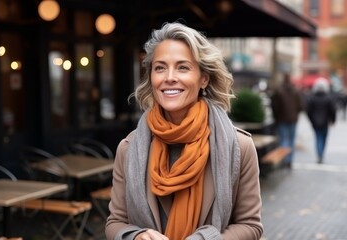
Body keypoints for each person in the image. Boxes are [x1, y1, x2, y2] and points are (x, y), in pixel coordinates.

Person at [105, 22, 263, 240]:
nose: (169, 77)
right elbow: (115, 223)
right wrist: (136, 236)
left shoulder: (239, 147)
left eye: (183, 67)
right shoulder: (129, 149)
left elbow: (250, 225)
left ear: (203, 78)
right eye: (160, 67)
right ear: (151, 78)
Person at [271, 73, 303, 168]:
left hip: (282, 119)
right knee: (291, 140)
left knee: (283, 140)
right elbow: (301, 106)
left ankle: (284, 160)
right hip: (293, 119)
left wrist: (276, 116)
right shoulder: (295, 91)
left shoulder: (278, 91)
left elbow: (274, 106)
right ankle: (289, 160)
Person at [306, 78, 336, 164]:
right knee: (323, 138)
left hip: (316, 122)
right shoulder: (328, 98)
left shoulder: (312, 98)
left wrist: (311, 121)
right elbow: (333, 110)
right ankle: (321, 153)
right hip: (325, 122)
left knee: (318, 138)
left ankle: (319, 154)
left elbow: (308, 111)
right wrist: (333, 120)